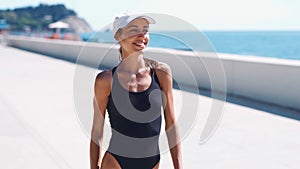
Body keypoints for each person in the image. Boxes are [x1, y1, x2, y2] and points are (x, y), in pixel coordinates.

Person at [90, 12, 182, 169]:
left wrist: (178, 167)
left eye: (145, 30)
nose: (141, 35)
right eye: (134, 30)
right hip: (116, 162)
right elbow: (97, 131)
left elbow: (171, 125)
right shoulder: (106, 80)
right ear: (118, 36)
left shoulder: (161, 73)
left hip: (152, 163)